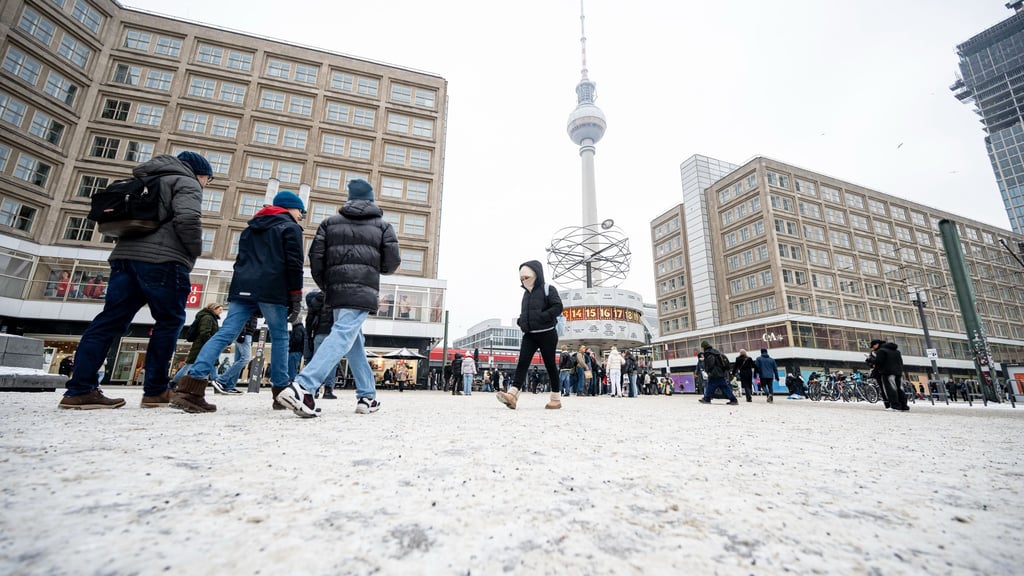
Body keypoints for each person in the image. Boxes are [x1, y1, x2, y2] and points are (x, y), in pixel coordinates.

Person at [58, 151, 209, 410]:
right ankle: (156, 391)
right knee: (168, 322)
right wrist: (193, 251)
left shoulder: (146, 180)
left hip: (124, 258)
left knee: (109, 321)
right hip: (164, 261)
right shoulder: (186, 182)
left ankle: (80, 390)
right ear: (199, 173)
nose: (206, 184)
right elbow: (188, 219)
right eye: (208, 179)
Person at [172, 190, 306, 413]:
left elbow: (240, 261)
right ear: (289, 208)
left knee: (225, 333)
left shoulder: (250, 228)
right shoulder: (290, 228)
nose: (301, 215)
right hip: (273, 289)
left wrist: (239, 288)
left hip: (243, 288)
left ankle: (191, 387)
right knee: (281, 336)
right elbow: (294, 264)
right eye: (300, 210)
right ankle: (281, 390)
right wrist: (296, 295)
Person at [277, 178, 400, 418]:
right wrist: (373, 268)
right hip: (362, 288)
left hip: (335, 290)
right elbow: (391, 263)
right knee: (345, 334)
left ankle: (367, 395)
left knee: (354, 341)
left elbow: (316, 260)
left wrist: (328, 286)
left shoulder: (328, 223)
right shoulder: (383, 226)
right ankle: (303, 386)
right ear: (371, 199)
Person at [496, 260, 564, 410]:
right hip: (530, 334)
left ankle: (555, 398)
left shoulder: (548, 289)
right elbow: (525, 313)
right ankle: (512, 395)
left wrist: (542, 317)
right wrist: (522, 322)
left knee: (550, 365)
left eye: (526, 277)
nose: (523, 280)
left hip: (547, 333)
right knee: (522, 363)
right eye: (521, 278)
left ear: (535, 274)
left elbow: (558, 306)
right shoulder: (525, 294)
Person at [171, 302, 223, 384]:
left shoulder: (211, 318)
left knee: (213, 364)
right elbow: (205, 333)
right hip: (202, 346)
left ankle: (217, 383)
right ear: (214, 309)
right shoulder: (208, 318)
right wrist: (212, 344)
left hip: (205, 345)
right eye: (220, 310)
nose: (221, 312)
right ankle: (173, 382)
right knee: (190, 365)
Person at [304, 290, 339, 399]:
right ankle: (328, 390)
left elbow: (309, 320)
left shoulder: (315, 301)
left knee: (317, 361)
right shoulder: (335, 299)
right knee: (331, 362)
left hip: (318, 334)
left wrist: (309, 336)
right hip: (332, 334)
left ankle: (314, 388)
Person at [211, 312, 257, 394]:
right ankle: (220, 380)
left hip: (245, 334)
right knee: (245, 359)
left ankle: (229, 386)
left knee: (239, 360)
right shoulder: (249, 305)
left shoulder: (252, 307)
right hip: (244, 334)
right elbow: (243, 320)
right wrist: (242, 334)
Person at [871, 338, 908, 412]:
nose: (873, 348)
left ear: (877, 344)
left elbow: (878, 361)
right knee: (900, 389)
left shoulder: (881, 351)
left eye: (873, 346)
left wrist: (869, 359)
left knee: (891, 389)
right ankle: (904, 405)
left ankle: (895, 406)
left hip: (887, 372)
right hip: (898, 372)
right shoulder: (897, 351)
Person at [698, 340, 737, 405]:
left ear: (703, 347)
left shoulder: (708, 353)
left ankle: (707, 399)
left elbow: (711, 363)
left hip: (714, 373)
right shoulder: (715, 351)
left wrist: (708, 370)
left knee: (711, 385)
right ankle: (733, 399)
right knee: (724, 386)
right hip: (720, 372)